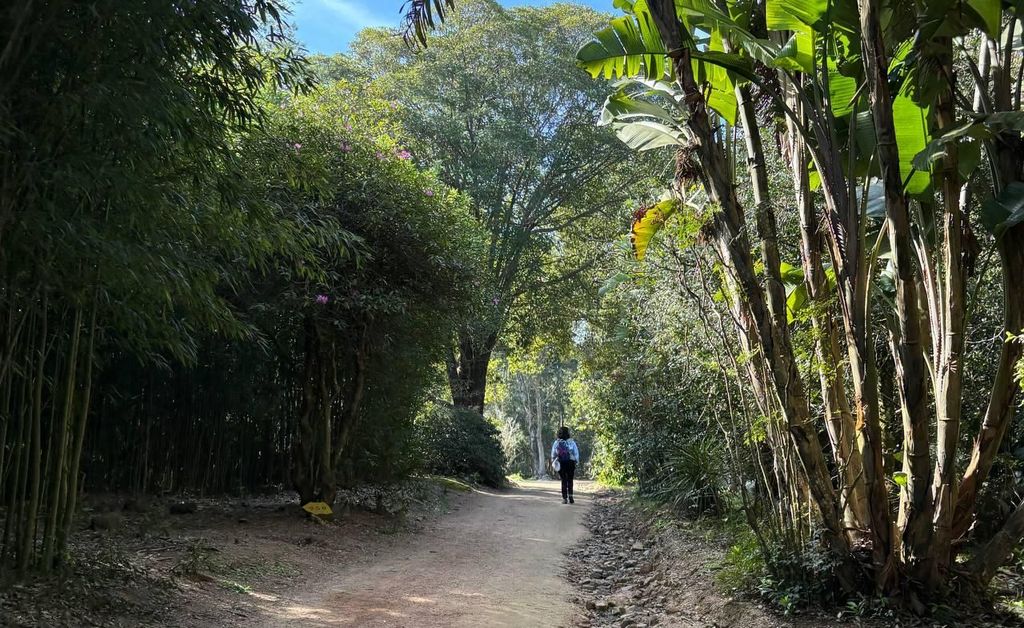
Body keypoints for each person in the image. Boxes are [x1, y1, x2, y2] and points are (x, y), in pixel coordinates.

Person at [551, 426, 580, 504]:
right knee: (570, 479)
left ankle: (564, 498)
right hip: (571, 462)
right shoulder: (571, 442)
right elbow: (576, 452)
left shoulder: (557, 442)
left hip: (561, 462)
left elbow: (553, 453)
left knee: (563, 480)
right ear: (568, 433)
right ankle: (571, 496)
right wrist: (576, 461)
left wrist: (553, 460)